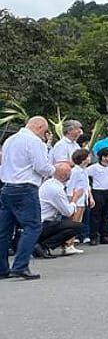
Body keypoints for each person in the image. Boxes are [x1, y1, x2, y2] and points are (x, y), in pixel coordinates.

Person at [0, 117, 55, 279]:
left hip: (7, 186)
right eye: (44, 132)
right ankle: (21, 265)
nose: (44, 135)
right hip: (25, 187)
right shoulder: (34, 142)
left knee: (4, 231)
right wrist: (53, 170)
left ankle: (2, 268)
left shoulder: (10, 140)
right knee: (32, 226)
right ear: (39, 127)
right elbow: (41, 166)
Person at [36, 162, 84, 258]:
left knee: (64, 224)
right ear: (64, 175)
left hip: (41, 221)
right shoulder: (56, 189)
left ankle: (42, 244)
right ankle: (45, 245)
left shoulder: (48, 183)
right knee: (77, 227)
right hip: (44, 223)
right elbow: (68, 212)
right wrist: (75, 198)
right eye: (69, 172)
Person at [86, 148, 108, 245]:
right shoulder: (94, 167)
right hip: (98, 192)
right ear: (103, 157)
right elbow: (85, 173)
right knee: (96, 215)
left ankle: (105, 235)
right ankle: (93, 236)